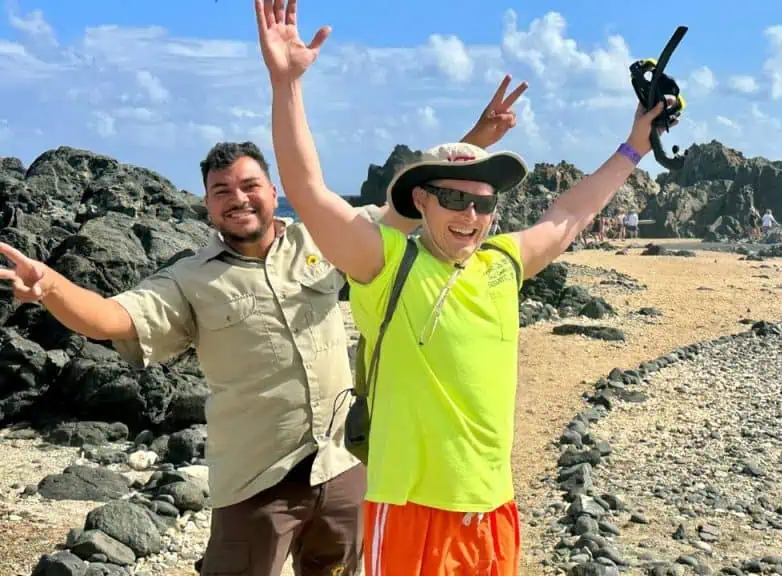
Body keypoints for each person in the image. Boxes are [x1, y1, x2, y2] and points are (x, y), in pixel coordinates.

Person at [0, 81, 526, 576]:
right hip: (256, 480)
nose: (238, 197)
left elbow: (410, 207)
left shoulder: (324, 241)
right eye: (221, 190)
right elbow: (113, 317)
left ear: (274, 191)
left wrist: (474, 142)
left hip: (342, 464)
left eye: (250, 184)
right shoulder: (189, 279)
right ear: (207, 204)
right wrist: (49, 287)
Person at [253, 0, 672, 572]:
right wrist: (287, 84)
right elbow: (306, 190)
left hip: (492, 508)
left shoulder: (502, 264)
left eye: (483, 202)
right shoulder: (387, 261)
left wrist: (634, 148)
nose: (470, 215)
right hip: (407, 509)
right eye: (453, 198)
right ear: (421, 200)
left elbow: (569, 215)